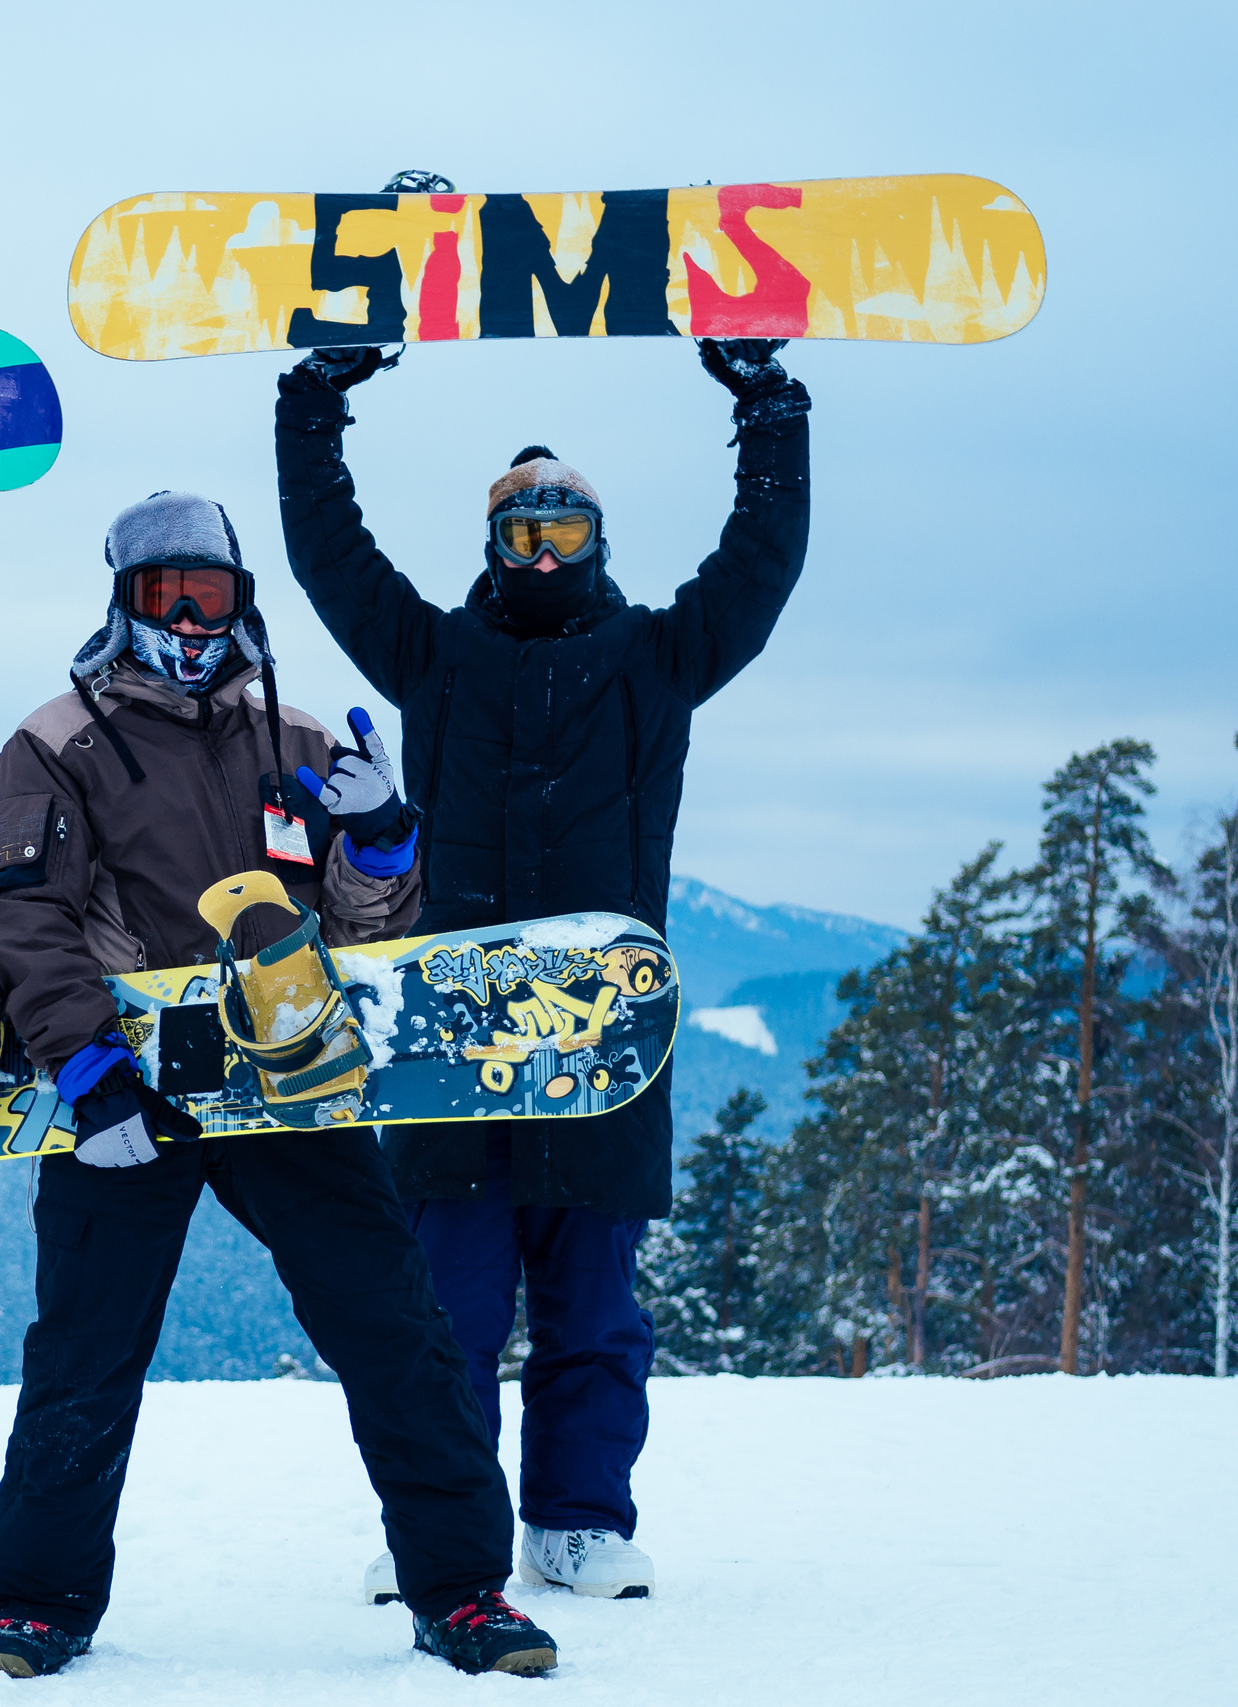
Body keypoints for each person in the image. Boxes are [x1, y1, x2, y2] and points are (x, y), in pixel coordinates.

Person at [0, 491, 558, 1680]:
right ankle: (37, 1604)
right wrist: (84, 1067)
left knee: (393, 1325)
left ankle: (462, 1591)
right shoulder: (55, 742)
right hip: (127, 1086)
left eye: (209, 595)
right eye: (163, 597)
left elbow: (363, 924)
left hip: (284, 1077)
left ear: (242, 602)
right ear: (122, 604)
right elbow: (23, 918)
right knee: (85, 1345)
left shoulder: (297, 736)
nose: (187, 620)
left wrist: (383, 845)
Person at [273, 337, 812, 1601]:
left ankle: (578, 1522)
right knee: (442, 1318)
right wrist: (316, 403)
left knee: (593, 1316)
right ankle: (446, 1531)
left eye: (565, 532)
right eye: (521, 535)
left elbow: (759, 569)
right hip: (452, 1045)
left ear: (599, 540)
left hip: (603, 1040)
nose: (544, 556)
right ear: (491, 546)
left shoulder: (657, 662)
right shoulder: (434, 661)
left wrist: (768, 410)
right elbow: (327, 558)